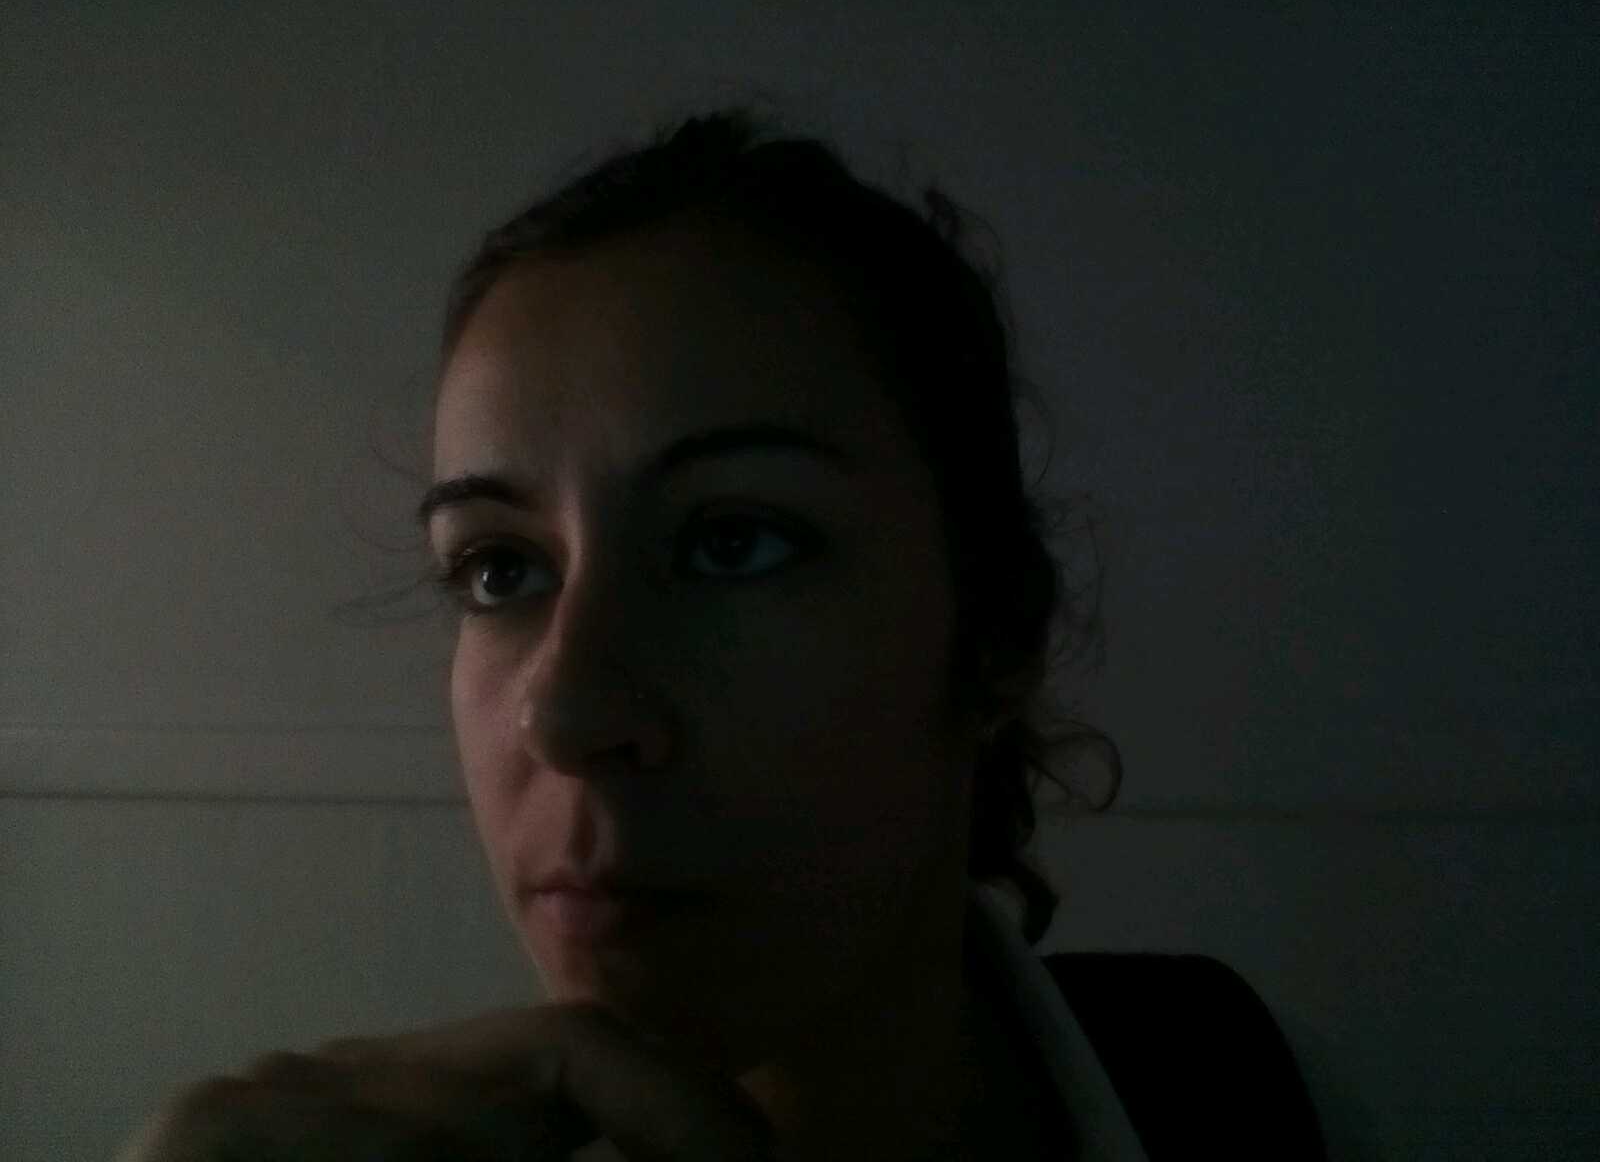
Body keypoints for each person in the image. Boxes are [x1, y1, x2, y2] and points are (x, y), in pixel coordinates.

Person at [118, 108, 1147, 1162]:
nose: (564, 715)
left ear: (999, 630)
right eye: (500, 569)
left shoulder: (1223, 1065)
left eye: (733, 543)